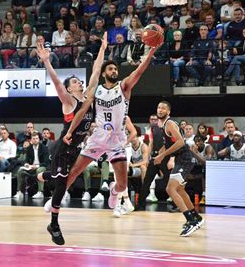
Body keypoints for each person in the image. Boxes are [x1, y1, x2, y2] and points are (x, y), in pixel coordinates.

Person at [63, 39, 161, 224]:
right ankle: (56, 200)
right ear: (104, 74)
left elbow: (139, 70)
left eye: (115, 69)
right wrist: (70, 131)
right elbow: (83, 108)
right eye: (110, 69)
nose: (114, 71)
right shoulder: (96, 90)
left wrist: (150, 52)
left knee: (122, 183)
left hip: (117, 140)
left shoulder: (123, 87)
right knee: (75, 170)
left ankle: (115, 193)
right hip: (98, 138)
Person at [35, 33, 109, 246]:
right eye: (75, 81)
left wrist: (103, 49)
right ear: (70, 88)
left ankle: (44, 175)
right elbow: (57, 82)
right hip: (63, 147)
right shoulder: (68, 101)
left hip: (75, 148)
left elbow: (96, 71)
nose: (80, 82)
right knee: (61, 186)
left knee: (64, 179)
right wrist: (47, 61)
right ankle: (54, 224)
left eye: (79, 80)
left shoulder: (86, 98)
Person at [154, 101, 204, 237]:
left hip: (185, 158)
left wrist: (164, 155)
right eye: (159, 107)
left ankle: (191, 221)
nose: (160, 109)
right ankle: (196, 217)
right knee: (180, 190)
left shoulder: (169, 123)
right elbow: (169, 143)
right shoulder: (163, 126)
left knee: (171, 189)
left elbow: (181, 142)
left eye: (163, 108)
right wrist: (160, 154)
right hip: (180, 159)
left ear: (168, 112)